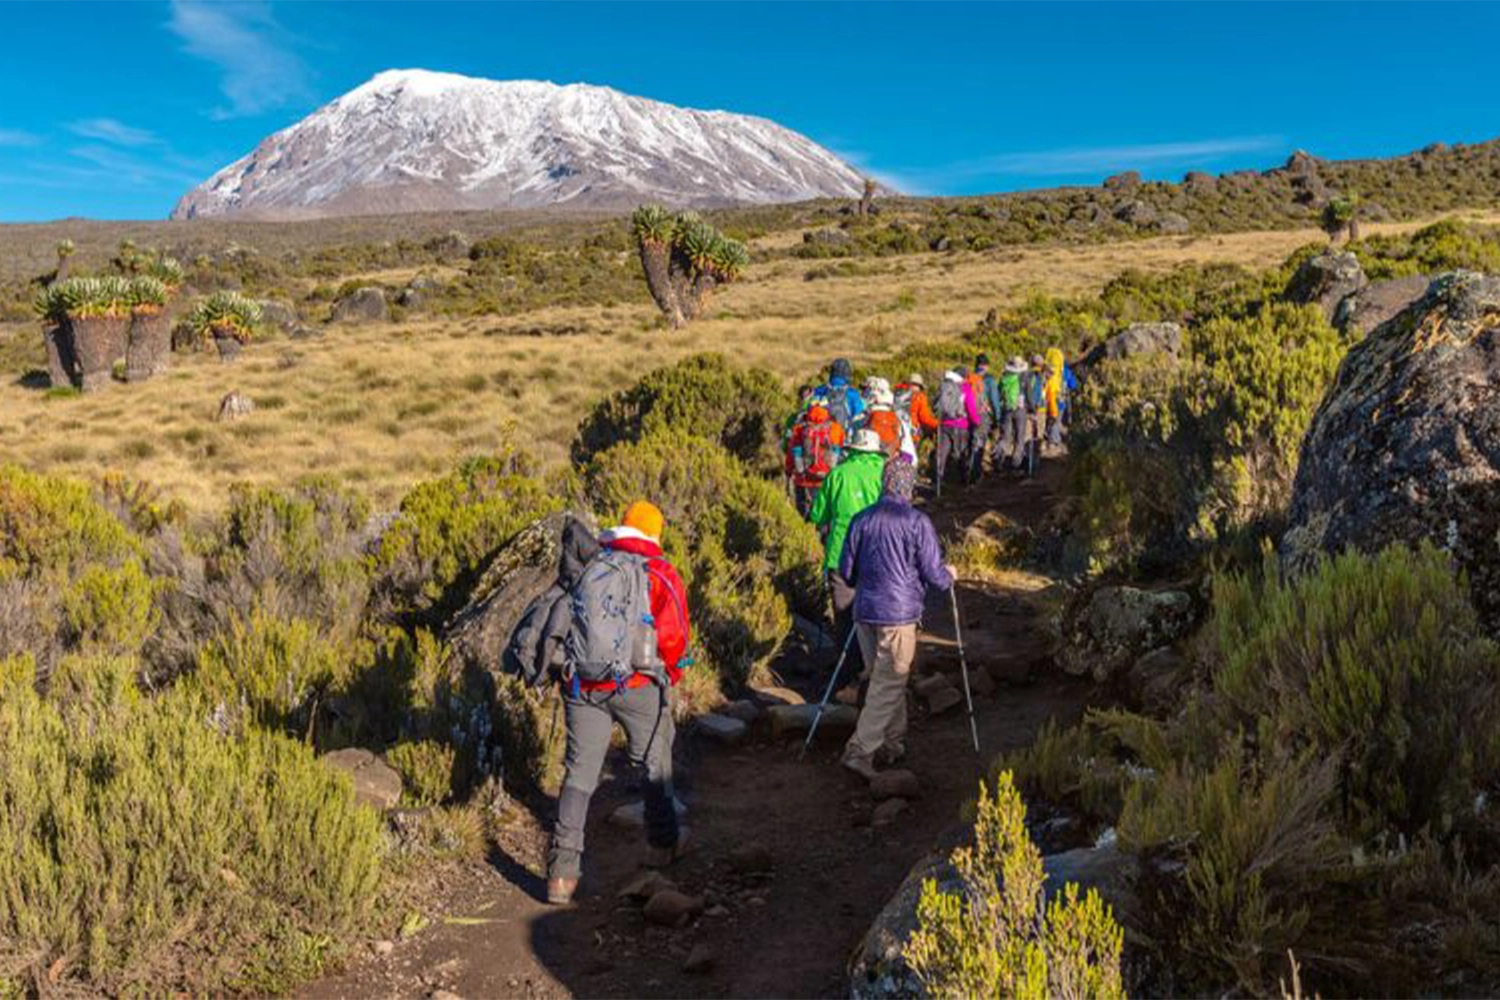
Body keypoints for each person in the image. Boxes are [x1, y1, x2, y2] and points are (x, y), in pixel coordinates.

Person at [546, 501, 692, 906]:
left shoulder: (591, 563)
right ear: (655, 535)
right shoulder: (660, 571)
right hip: (637, 684)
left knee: (578, 774)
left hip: (584, 683)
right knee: (654, 762)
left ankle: (561, 874)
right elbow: (674, 635)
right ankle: (662, 846)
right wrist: (670, 677)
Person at [838, 460, 954, 779]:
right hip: (899, 614)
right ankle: (860, 750)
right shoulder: (917, 522)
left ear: (884, 483)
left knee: (883, 677)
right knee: (890, 680)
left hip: (864, 612)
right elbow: (934, 573)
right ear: (910, 486)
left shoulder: (861, 519)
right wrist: (949, 576)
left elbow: (846, 572)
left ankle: (892, 742)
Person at [809, 429, 887, 685]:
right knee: (876, 615)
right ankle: (875, 672)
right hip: (877, 555)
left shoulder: (838, 474)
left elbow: (818, 514)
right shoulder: (883, 474)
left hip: (840, 556)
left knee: (844, 617)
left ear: (852, 449)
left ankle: (849, 676)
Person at [785, 397, 845, 518]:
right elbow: (841, 454)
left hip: (803, 480)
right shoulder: (836, 429)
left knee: (803, 519)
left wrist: (788, 473)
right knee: (824, 517)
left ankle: (803, 535)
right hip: (827, 480)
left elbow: (791, 455)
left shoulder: (799, 429)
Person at [933, 369, 981, 493]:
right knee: (961, 454)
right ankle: (964, 484)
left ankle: (938, 481)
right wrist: (976, 421)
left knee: (941, 454)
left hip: (944, 424)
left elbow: (936, 404)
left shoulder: (944, 385)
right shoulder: (965, 387)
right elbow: (970, 407)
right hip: (960, 425)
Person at [968, 355, 1000, 483]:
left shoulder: (969, 377)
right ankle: (974, 475)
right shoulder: (989, 380)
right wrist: (997, 418)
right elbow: (994, 400)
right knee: (979, 444)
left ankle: (966, 472)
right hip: (982, 415)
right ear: (986, 365)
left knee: (970, 443)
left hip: (967, 415)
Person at [996, 356, 1029, 471]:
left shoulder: (1004, 377)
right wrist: (1031, 409)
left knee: (1005, 437)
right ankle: (1015, 464)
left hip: (1007, 410)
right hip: (1021, 410)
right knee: (1019, 438)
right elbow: (1028, 395)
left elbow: (998, 392)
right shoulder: (1025, 377)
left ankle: (998, 461)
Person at [818, 358, 866, 433]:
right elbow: (859, 414)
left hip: (822, 435)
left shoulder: (820, 390)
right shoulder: (853, 393)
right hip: (844, 434)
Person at [1021, 355, 1050, 473]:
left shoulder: (1024, 375)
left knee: (1027, 436)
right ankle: (1035, 466)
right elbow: (1040, 393)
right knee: (1038, 436)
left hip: (1026, 409)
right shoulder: (1040, 376)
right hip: (1039, 410)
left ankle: (1027, 464)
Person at [865, 387, 903, 457]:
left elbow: (866, 429)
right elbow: (898, 434)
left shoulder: (873, 414)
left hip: (874, 447)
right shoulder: (894, 416)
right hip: (890, 448)